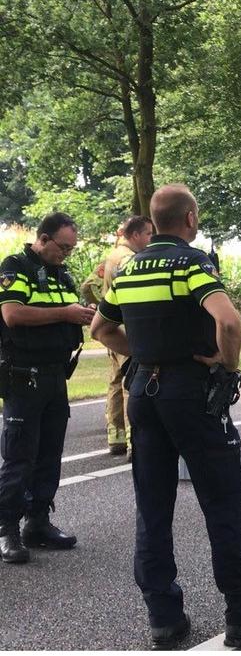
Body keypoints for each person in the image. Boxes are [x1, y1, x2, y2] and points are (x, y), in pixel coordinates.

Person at [90, 184, 241, 650]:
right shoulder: (192, 263)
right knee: (222, 503)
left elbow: (101, 328)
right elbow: (230, 320)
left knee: (153, 508)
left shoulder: (129, 266)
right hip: (189, 393)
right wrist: (226, 363)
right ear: (190, 220)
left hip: (143, 393)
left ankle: (164, 618)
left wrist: (142, 356)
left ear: (153, 223)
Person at [0, 212, 96, 564]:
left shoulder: (61, 273)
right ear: (43, 239)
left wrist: (83, 313)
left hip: (56, 376)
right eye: (63, 247)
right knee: (19, 456)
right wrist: (65, 314)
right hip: (25, 375)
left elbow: (67, 310)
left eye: (71, 248)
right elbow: (12, 315)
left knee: (50, 454)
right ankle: (6, 528)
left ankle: (37, 522)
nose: (67, 254)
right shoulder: (16, 266)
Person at [100, 216, 154, 456]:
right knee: (131, 382)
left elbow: (88, 285)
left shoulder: (111, 257)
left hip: (111, 328)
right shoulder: (129, 260)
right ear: (135, 235)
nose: (150, 239)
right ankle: (135, 443)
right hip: (127, 330)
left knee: (114, 382)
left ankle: (117, 438)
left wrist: (99, 309)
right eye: (148, 235)